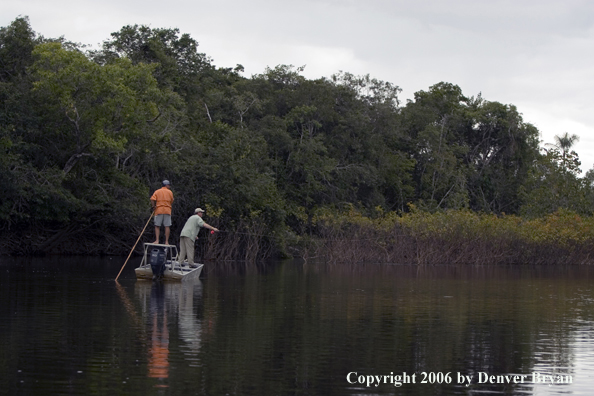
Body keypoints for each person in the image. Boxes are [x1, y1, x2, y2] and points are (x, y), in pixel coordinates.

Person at [150, 180, 174, 245]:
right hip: (167, 210)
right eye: (168, 185)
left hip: (159, 210)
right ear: (166, 185)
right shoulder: (170, 192)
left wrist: (153, 206)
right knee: (167, 226)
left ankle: (157, 240)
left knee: (157, 225)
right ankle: (166, 241)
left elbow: (152, 199)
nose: (169, 186)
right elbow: (172, 200)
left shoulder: (157, 191)